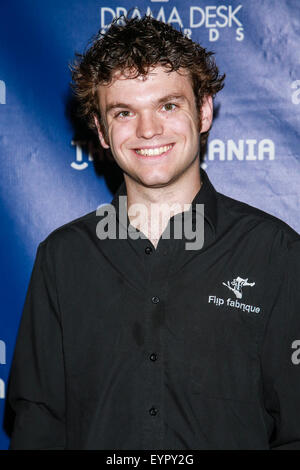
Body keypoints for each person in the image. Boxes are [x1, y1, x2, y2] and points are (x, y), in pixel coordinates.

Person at [8, 15, 300, 450]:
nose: (148, 130)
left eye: (167, 105)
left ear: (202, 112)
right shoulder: (63, 258)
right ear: (101, 131)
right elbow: (38, 427)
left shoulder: (276, 252)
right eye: (124, 112)